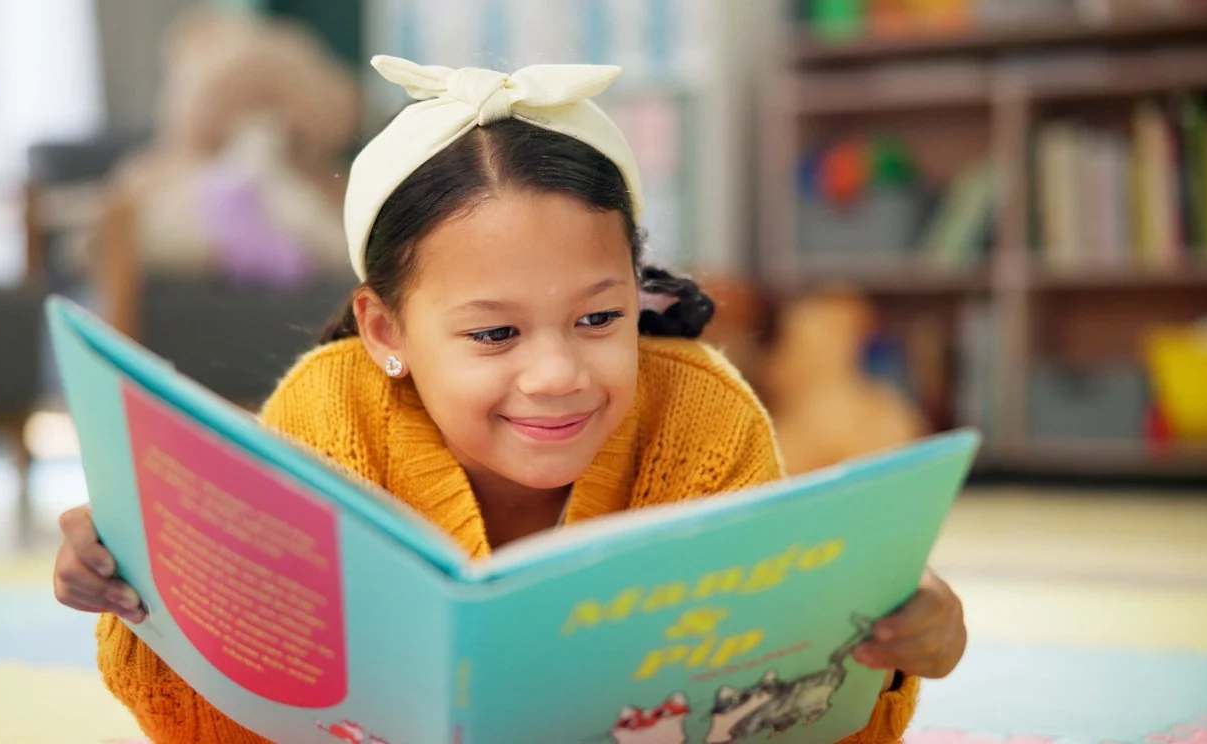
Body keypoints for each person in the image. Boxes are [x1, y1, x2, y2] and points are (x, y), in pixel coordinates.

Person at [52, 55, 966, 743]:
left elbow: (789, 712)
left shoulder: (704, 419)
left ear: (635, 289)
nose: (556, 375)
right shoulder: (327, 416)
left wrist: (883, 648)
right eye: (494, 334)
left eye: (599, 318)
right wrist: (144, 589)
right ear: (385, 332)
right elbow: (215, 724)